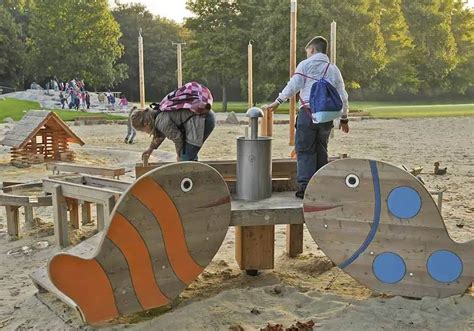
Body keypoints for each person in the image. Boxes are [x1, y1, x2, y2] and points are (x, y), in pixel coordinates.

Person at [262, 36, 350, 199]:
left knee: (304, 150)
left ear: (312, 49)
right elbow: (342, 95)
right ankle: (321, 185)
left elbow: (293, 85)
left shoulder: (305, 65)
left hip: (308, 113)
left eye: (308, 51)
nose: (307, 54)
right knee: (321, 148)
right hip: (326, 116)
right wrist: (344, 118)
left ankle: (306, 188)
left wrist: (278, 102)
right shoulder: (333, 69)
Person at [131, 106, 215, 164]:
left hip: (203, 119)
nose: (145, 133)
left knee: (185, 159)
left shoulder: (161, 122)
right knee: (188, 156)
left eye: (143, 130)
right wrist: (150, 149)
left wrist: (179, 156)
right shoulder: (156, 114)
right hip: (202, 116)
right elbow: (160, 135)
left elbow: (178, 138)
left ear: (146, 124)